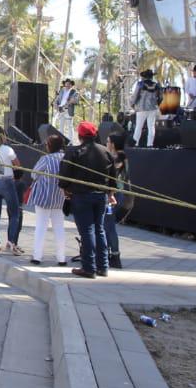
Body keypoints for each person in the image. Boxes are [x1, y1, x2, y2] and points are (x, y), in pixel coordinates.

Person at [58, 121, 116, 278]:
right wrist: (111, 193)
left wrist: (66, 190)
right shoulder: (105, 152)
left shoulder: (73, 152)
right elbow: (113, 177)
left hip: (82, 196)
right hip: (101, 196)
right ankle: (103, 266)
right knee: (100, 230)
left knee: (87, 231)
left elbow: (63, 176)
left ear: (79, 135)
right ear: (95, 134)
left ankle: (89, 268)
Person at [28, 135, 67, 266]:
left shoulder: (45, 159)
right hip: (60, 198)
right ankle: (61, 258)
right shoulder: (66, 159)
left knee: (40, 226)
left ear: (49, 146)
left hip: (43, 197)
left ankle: (37, 256)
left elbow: (33, 174)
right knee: (59, 227)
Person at [0, 140, 23, 255]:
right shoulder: (7, 149)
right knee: (14, 213)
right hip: (6, 181)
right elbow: (17, 164)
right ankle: (11, 242)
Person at [104, 133, 131, 269]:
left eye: (108, 141)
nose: (106, 143)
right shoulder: (119, 156)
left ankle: (114, 255)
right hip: (115, 195)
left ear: (113, 144)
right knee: (107, 225)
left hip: (114, 196)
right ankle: (108, 253)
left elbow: (113, 174)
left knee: (109, 225)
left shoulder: (119, 157)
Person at [129, 69, 162, 148]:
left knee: (138, 127)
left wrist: (132, 104)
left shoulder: (140, 84)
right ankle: (150, 144)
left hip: (141, 108)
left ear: (144, 77)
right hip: (153, 108)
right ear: (151, 77)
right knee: (151, 127)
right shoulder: (157, 85)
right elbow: (161, 97)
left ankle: (135, 144)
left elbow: (135, 95)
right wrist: (157, 104)